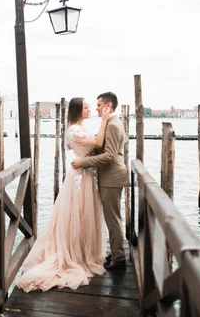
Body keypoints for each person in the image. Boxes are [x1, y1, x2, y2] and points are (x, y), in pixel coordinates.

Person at [16, 98, 110, 292]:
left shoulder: (79, 128)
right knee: (78, 213)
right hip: (80, 176)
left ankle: (86, 250)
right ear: (77, 110)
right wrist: (105, 121)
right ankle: (76, 254)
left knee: (85, 214)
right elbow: (98, 142)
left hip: (86, 173)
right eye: (86, 107)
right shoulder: (74, 129)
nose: (89, 108)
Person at [71, 92, 129, 270]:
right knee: (112, 218)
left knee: (112, 219)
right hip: (110, 177)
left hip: (112, 177)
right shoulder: (113, 122)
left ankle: (119, 259)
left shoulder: (112, 125)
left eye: (98, 105)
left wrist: (83, 162)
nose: (95, 108)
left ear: (108, 106)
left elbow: (110, 155)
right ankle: (116, 252)